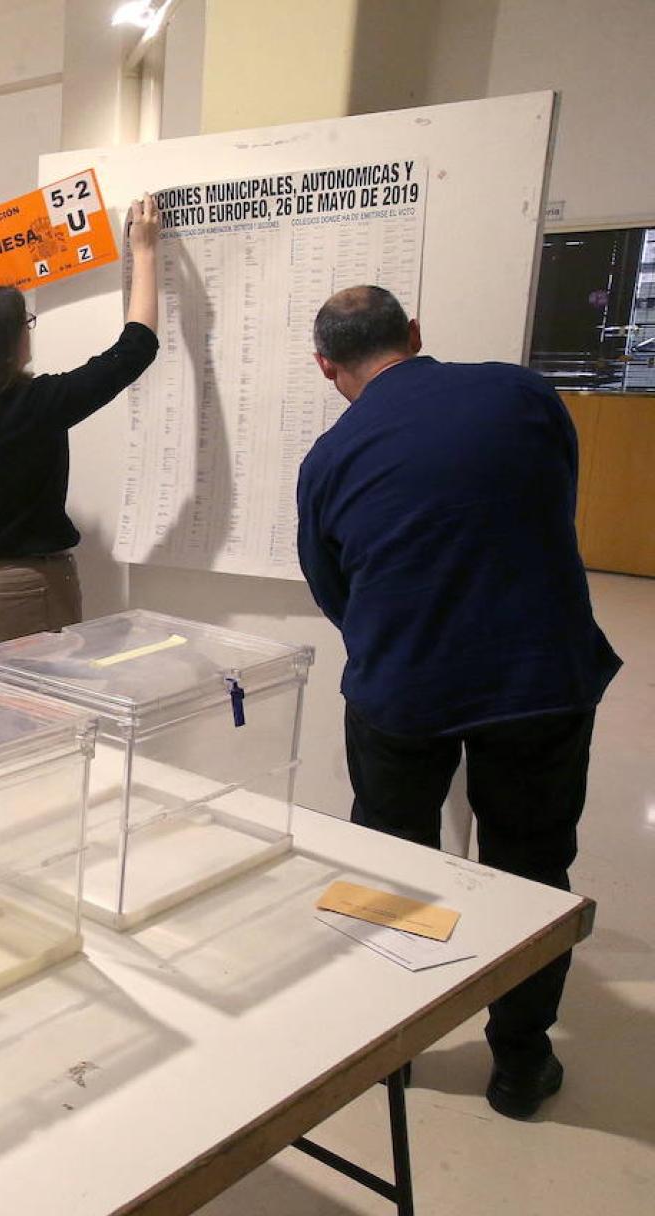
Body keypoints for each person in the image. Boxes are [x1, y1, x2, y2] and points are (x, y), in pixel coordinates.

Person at [296, 285, 620, 1122]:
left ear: (328, 368)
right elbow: (555, 503)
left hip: (402, 685)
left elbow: (334, 589)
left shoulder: (329, 459)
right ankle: (520, 1065)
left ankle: (391, 1052)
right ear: (413, 332)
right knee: (533, 867)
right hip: (539, 678)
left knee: (391, 866)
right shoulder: (524, 393)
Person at [0, 195, 161, 666]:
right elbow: (135, 349)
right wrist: (146, 253)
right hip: (20, 592)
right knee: (41, 723)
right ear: (9, 342)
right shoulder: (36, 405)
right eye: (24, 324)